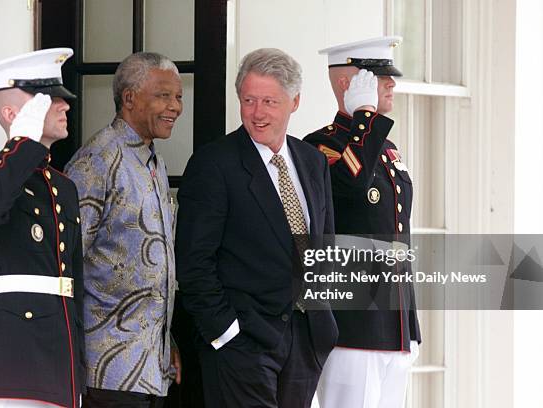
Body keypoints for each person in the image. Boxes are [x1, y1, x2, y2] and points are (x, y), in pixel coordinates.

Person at [175, 48, 338, 408]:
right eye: (249, 100)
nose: (257, 113)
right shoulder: (214, 164)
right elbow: (192, 261)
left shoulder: (312, 162)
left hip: (305, 339)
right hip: (242, 343)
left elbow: (323, 245)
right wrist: (225, 333)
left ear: (294, 102)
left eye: (269, 101)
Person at [0, 48, 86, 408]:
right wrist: (22, 144)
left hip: (59, 360)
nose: (64, 106)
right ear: (14, 114)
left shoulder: (63, 187)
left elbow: (73, 281)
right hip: (10, 359)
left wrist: (78, 368)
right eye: (49, 100)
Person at [303, 36, 422, 408]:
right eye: (376, 76)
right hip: (352, 325)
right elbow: (349, 187)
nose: (390, 83)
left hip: (393, 325)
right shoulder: (319, 145)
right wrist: (364, 117)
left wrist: (410, 324)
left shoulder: (386, 149)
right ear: (346, 85)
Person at [65, 52, 182, 408]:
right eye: (164, 95)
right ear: (129, 97)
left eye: (178, 97)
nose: (175, 107)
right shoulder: (96, 161)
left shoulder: (153, 160)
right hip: (107, 370)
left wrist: (167, 340)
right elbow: (66, 264)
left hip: (151, 368)